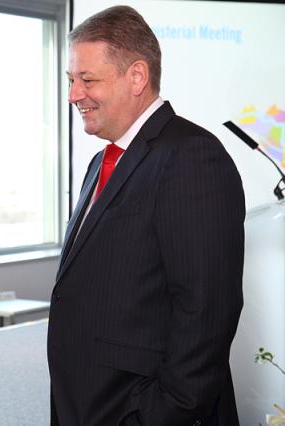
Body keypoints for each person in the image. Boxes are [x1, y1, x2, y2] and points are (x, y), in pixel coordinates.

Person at [47, 6, 245, 426]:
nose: (73, 95)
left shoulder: (191, 156)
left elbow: (206, 311)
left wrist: (159, 415)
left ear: (137, 76)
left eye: (87, 80)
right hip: (90, 405)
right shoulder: (102, 162)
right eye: (70, 81)